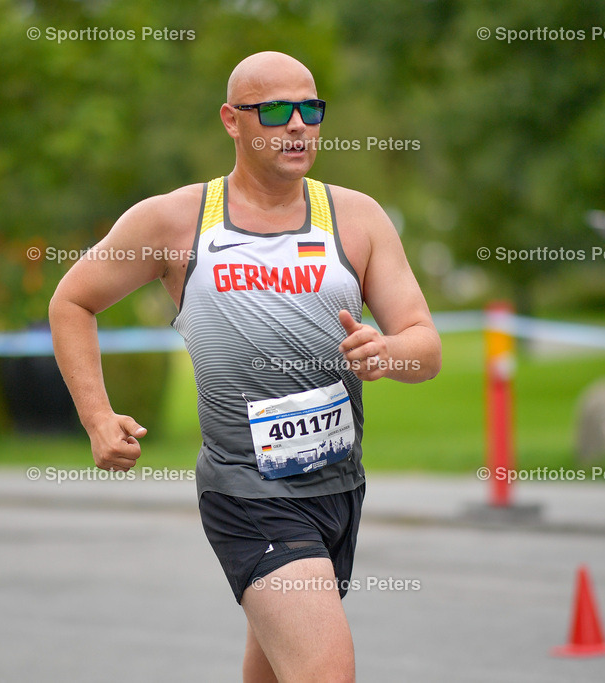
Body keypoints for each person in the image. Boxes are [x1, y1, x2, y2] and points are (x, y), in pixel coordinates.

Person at [49, 51, 441, 681]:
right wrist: (97, 417)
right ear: (232, 121)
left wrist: (386, 351)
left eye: (310, 110)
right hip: (246, 491)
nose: (297, 126)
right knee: (324, 673)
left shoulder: (357, 218)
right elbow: (72, 299)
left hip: (338, 485)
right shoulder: (176, 221)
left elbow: (426, 348)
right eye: (276, 111)